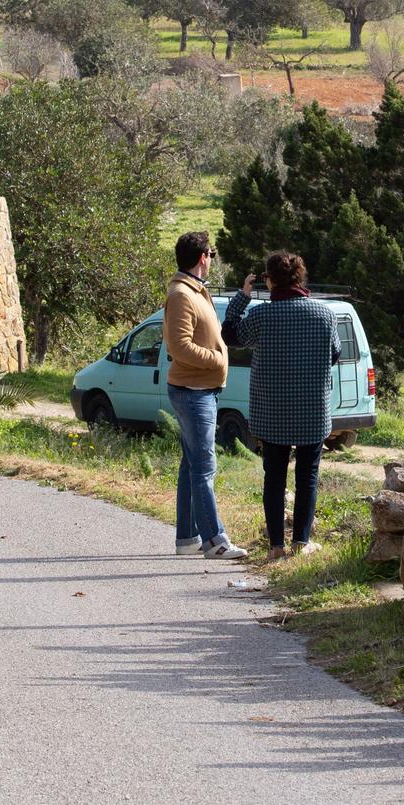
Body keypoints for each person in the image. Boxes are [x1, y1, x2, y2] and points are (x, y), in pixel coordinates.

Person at [223, 251, 339, 560]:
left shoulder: (261, 315)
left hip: (271, 413)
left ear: (270, 281)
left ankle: (276, 546)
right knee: (307, 477)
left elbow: (230, 335)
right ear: (300, 278)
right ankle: (301, 542)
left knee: (274, 478)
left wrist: (242, 296)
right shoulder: (324, 314)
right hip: (313, 412)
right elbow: (335, 354)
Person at [163, 231, 245, 561]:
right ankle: (215, 541)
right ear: (202, 258)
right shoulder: (183, 294)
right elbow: (179, 346)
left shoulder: (196, 291)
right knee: (204, 468)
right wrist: (218, 359)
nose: (212, 258)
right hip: (193, 392)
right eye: (210, 253)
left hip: (200, 390)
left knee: (191, 466)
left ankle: (187, 539)